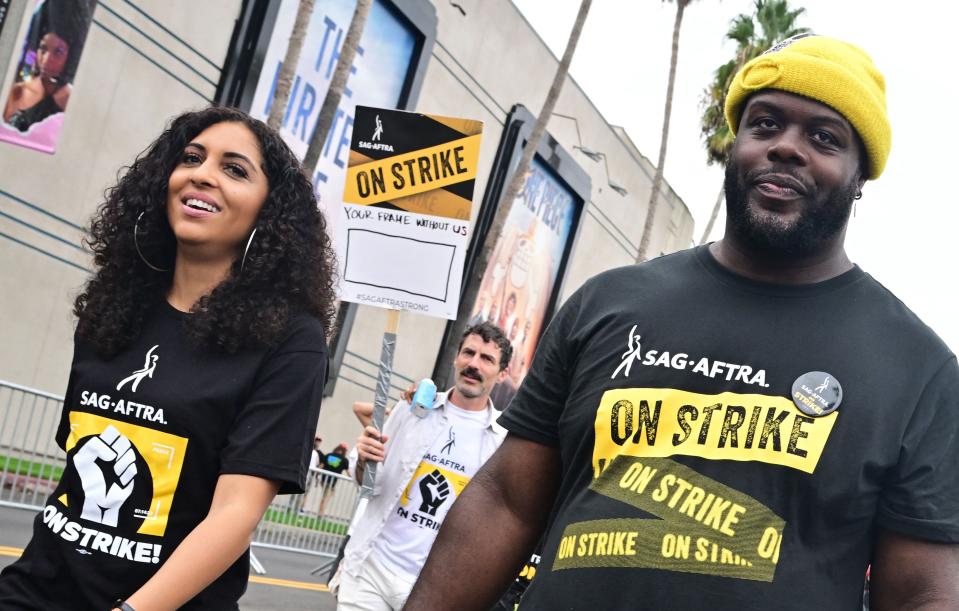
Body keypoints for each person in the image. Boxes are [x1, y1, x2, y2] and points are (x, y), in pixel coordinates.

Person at [405, 35, 959, 610]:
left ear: (860, 174)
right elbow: (506, 503)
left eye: (824, 138)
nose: (787, 148)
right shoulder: (608, 304)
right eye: (765, 125)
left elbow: (924, 593)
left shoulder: (916, 368)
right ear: (736, 145)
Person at [0, 106, 337, 610]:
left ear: (271, 214)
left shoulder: (291, 341)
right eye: (191, 158)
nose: (202, 174)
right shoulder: (115, 304)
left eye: (234, 169)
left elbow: (234, 515)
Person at [330, 321, 513, 610]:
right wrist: (365, 460)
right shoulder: (412, 410)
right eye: (469, 353)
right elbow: (369, 485)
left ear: (502, 374)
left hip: (435, 586)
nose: (473, 364)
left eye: (487, 359)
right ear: (457, 357)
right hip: (370, 570)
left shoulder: (502, 441)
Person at [2, 0, 94, 131]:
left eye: (58, 52)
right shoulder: (17, 92)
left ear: (71, 56)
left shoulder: (73, 104)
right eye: (43, 49)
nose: (45, 60)